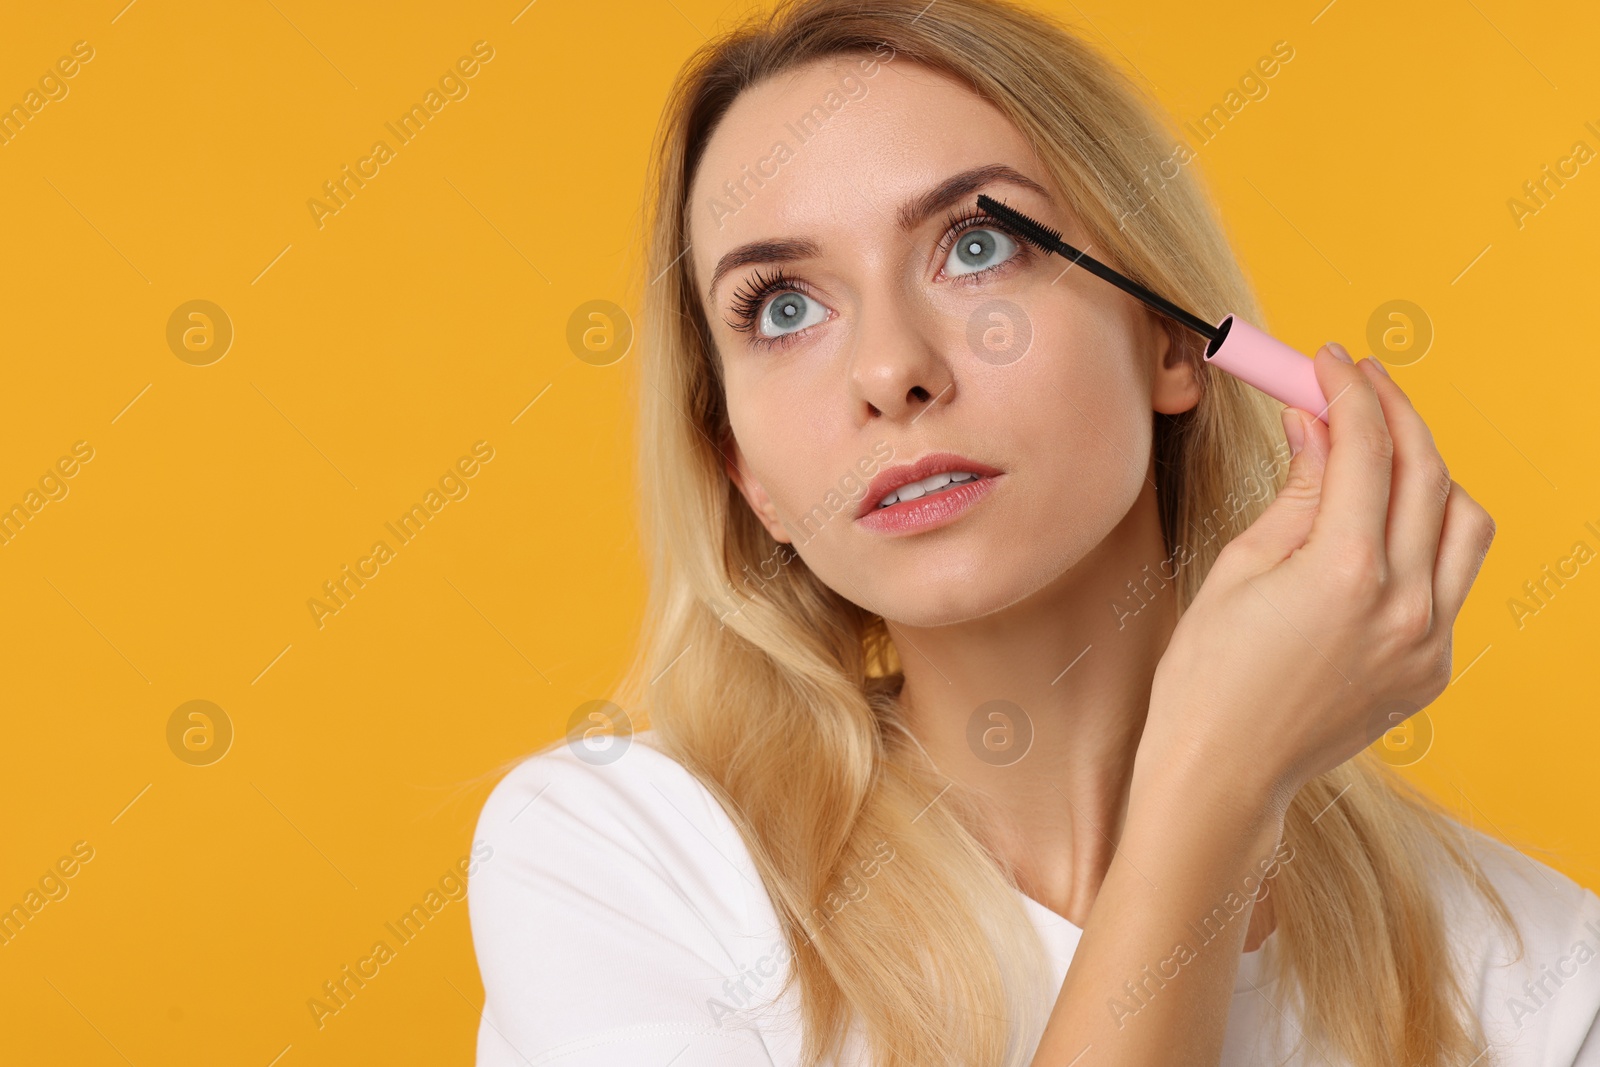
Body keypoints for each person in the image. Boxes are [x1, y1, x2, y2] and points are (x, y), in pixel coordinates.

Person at [468, 0, 1600, 1063]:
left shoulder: (1538, 974)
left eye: (974, 244)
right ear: (742, 468)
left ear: (1167, 337)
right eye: (783, 306)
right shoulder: (622, 861)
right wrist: (1212, 786)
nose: (889, 371)